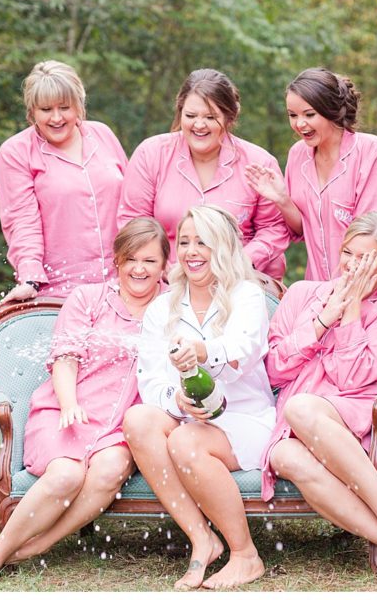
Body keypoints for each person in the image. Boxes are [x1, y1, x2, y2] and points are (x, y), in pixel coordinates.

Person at [0, 218, 170, 582]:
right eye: (131, 259)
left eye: (150, 261)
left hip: (120, 426)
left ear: (163, 265)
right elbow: (65, 358)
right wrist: (69, 402)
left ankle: (39, 544)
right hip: (67, 410)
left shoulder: (172, 309)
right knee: (66, 475)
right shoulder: (88, 298)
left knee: (109, 470)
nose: (139, 269)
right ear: (117, 261)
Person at [258, 212, 377, 585]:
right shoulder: (301, 295)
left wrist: (353, 311)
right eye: (348, 253)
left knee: (301, 406)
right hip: (296, 420)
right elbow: (273, 371)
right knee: (282, 454)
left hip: (348, 415)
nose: (352, 265)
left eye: (366, 259)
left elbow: (353, 377)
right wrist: (324, 319)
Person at [122, 205, 276, 589]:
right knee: (139, 420)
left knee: (186, 439)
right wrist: (178, 401)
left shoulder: (247, 295)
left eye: (202, 242)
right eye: (185, 241)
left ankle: (245, 555)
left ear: (222, 247)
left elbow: (244, 348)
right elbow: (152, 380)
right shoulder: (164, 306)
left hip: (245, 417)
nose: (191, 251)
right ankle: (202, 538)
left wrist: (203, 351)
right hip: (190, 418)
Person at [244, 67, 377, 288]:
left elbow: (371, 238)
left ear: (331, 111)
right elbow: (301, 231)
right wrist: (282, 200)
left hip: (370, 288)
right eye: (293, 115)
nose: (299, 124)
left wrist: (339, 295)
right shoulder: (297, 155)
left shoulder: (371, 151)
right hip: (319, 289)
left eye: (309, 114)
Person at [118, 68, 289, 280]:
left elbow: (274, 228)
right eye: (190, 116)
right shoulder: (151, 154)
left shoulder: (259, 162)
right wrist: (165, 268)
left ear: (229, 116)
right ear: (180, 112)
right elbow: (133, 221)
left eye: (210, 117)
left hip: (239, 281)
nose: (199, 125)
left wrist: (240, 263)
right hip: (166, 282)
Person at [0, 59, 128, 301]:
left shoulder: (103, 134)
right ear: (32, 111)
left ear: (79, 105)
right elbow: (22, 222)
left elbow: (133, 207)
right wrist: (30, 279)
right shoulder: (15, 153)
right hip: (59, 293)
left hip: (123, 286)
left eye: (64, 107)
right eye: (46, 110)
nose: (56, 118)